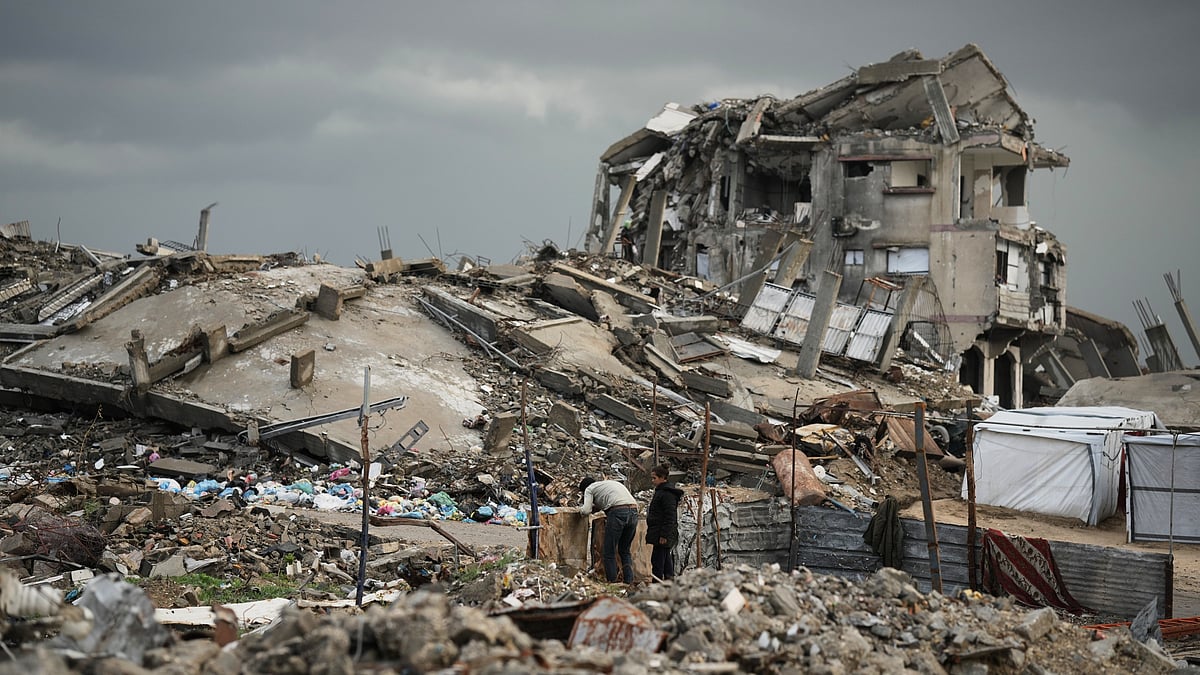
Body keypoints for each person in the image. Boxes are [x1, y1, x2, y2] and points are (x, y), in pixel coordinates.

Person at [578, 476, 639, 583]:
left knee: (609, 551)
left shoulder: (589, 489)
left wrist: (580, 510)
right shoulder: (608, 484)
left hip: (618, 513)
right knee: (624, 551)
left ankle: (613, 582)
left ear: (584, 489)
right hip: (634, 511)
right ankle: (629, 582)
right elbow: (610, 501)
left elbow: (586, 510)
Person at [645, 464, 683, 581]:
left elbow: (670, 516)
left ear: (662, 478)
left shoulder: (667, 494)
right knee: (665, 560)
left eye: (654, 478)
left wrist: (664, 535)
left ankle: (658, 586)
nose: (652, 481)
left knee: (658, 562)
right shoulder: (662, 492)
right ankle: (668, 584)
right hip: (659, 532)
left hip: (662, 533)